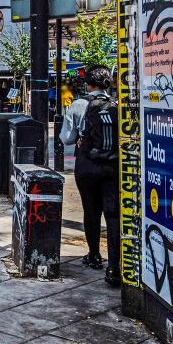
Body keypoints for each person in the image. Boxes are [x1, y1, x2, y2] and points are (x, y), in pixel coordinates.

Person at [60, 67, 120, 286]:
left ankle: (94, 255)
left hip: (87, 165)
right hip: (113, 165)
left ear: (88, 84)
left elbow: (66, 138)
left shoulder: (77, 105)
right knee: (113, 215)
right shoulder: (116, 104)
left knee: (91, 211)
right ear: (108, 84)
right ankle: (115, 266)